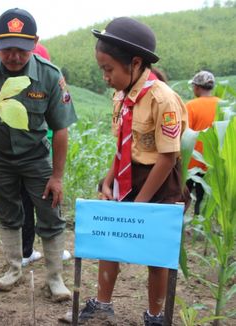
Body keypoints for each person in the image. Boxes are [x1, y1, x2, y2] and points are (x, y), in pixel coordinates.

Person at [61, 17, 188, 326]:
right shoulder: (120, 97)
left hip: (158, 181)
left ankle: (155, 315)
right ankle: (102, 303)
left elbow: (168, 158)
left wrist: (139, 206)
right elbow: (123, 147)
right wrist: (108, 181)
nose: (105, 77)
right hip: (125, 177)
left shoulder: (163, 99)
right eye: (102, 69)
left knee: (156, 255)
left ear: (135, 63)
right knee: (110, 240)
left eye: (109, 70)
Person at [0, 8, 77, 302]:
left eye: (22, 50)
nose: (14, 56)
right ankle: (13, 268)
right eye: (7, 49)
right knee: (8, 212)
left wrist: (57, 176)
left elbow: (61, 129)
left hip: (36, 158)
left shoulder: (49, 76)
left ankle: (55, 279)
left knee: (50, 214)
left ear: (35, 42)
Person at [21, 42, 72, 267]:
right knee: (48, 202)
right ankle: (52, 252)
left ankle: (26, 252)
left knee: (25, 203)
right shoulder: (50, 81)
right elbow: (61, 126)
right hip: (44, 153)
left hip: (27, 154)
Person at [185, 71, 218, 215]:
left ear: (197, 87)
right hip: (214, 161)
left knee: (184, 195)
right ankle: (200, 220)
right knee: (202, 196)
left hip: (192, 161)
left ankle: (181, 223)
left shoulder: (191, 106)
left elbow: (184, 133)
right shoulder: (223, 105)